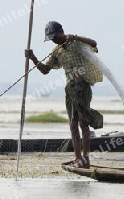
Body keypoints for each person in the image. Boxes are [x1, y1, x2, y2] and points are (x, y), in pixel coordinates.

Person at [25, 21, 103, 168]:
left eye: (54, 36)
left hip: (83, 87)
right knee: (73, 124)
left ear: (61, 31)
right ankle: (77, 157)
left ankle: (85, 160)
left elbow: (94, 43)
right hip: (70, 88)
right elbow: (45, 69)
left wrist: (75, 37)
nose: (53, 40)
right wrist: (33, 58)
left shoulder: (76, 44)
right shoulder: (57, 51)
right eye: (51, 38)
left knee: (83, 123)